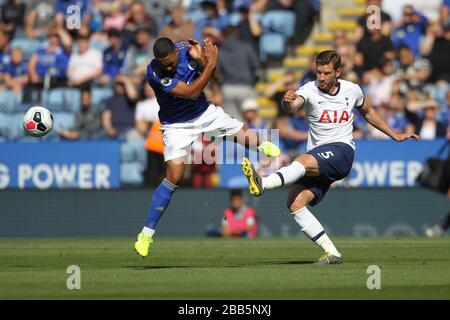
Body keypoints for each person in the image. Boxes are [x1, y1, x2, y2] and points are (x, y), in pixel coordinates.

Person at [241, 50, 420, 265]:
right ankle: (332, 252)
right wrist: (287, 102)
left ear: (338, 71)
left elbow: (369, 112)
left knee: (303, 161)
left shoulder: (352, 90)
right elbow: (293, 104)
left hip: (342, 152)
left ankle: (262, 183)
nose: (321, 77)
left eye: (326, 73)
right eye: (318, 72)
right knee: (295, 202)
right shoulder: (309, 89)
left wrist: (395, 135)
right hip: (318, 157)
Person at [134, 37, 281, 257]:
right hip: (176, 125)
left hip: (204, 113)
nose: (168, 67)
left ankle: (260, 147)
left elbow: (217, 78)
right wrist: (210, 63)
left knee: (248, 138)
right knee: (174, 175)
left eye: (171, 62)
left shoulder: (187, 48)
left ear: (176, 51)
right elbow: (191, 92)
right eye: (164, 63)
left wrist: (205, 61)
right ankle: (146, 234)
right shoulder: (154, 73)